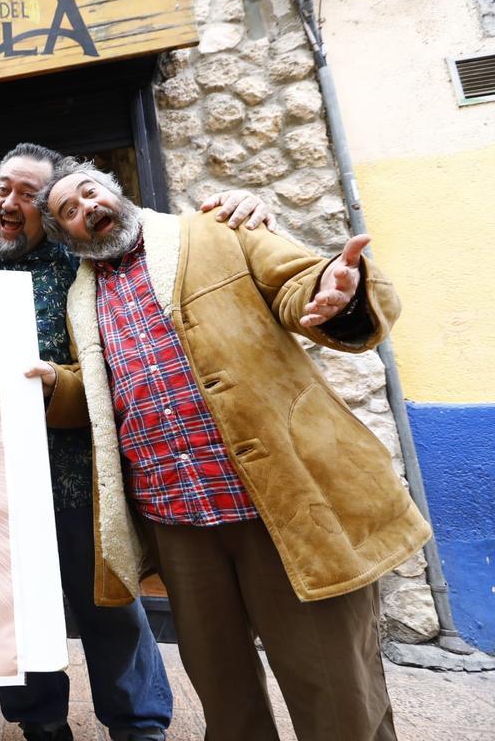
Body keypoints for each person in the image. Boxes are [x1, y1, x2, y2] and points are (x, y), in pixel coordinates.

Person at [32, 157, 431, 741]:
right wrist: (53, 386)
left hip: (281, 506)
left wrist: (335, 291)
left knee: (336, 691)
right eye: (69, 211)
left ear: (117, 194)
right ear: (67, 235)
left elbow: (298, 285)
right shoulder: (79, 297)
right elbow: (99, 390)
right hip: (177, 522)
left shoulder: (217, 229)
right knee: (224, 694)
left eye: (90, 193)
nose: (86, 208)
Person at [0, 144, 275, 741]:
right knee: (16, 610)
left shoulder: (82, 260)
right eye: (2, 187)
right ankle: (41, 724)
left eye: (29, 197)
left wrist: (244, 206)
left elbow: (150, 248)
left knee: (111, 610)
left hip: (80, 473)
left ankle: (139, 727)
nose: (9, 204)